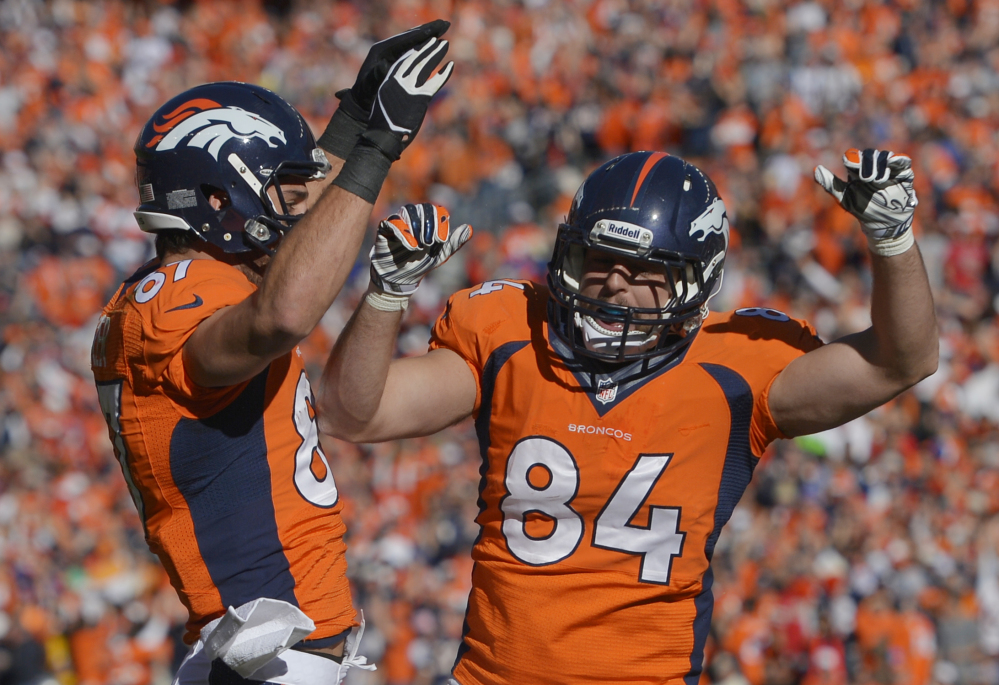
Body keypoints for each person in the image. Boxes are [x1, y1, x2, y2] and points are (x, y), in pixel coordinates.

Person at [317, 148, 938, 684]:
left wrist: (893, 241)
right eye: (600, 261)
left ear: (698, 281)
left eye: (646, 272)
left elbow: (899, 361)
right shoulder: (511, 335)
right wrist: (385, 295)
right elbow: (353, 414)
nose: (616, 285)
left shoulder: (737, 370)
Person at [90, 20, 454, 685]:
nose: (297, 213)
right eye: (278, 191)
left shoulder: (193, 285)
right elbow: (284, 312)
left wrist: (352, 117)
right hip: (264, 659)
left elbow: (295, 239)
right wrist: (376, 147)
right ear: (217, 197)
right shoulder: (171, 299)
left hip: (274, 655)